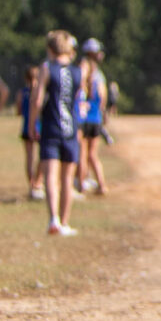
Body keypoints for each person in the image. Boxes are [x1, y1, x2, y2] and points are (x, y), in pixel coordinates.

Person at [29, 31, 82, 236]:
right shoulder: (78, 72)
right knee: (67, 178)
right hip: (71, 130)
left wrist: (33, 123)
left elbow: (37, 99)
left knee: (51, 176)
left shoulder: (47, 69)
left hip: (51, 128)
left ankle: (53, 219)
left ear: (50, 49)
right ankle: (65, 222)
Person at [76, 39, 110, 196]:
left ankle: (81, 185)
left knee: (82, 155)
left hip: (83, 120)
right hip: (96, 119)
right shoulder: (99, 78)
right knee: (93, 155)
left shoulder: (81, 76)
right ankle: (102, 184)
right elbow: (103, 99)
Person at [15, 63, 42, 198]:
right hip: (39, 127)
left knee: (29, 157)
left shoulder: (21, 93)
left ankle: (32, 184)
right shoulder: (40, 92)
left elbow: (18, 111)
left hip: (26, 127)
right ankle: (37, 182)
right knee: (43, 156)